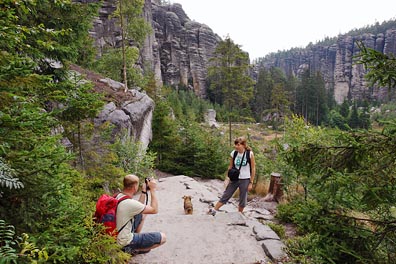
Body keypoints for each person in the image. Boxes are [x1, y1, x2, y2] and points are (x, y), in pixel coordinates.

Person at [116, 174, 166, 254]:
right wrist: (153, 189)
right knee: (163, 237)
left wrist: (143, 191)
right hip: (123, 241)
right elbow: (154, 210)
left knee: (141, 215)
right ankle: (131, 250)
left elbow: (138, 207)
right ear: (135, 187)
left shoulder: (119, 196)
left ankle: (134, 245)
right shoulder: (129, 203)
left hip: (117, 236)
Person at [209, 136, 256, 215]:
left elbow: (253, 168)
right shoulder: (234, 153)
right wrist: (227, 178)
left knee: (243, 198)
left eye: (238, 144)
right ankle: (214, 209)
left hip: (245, 179)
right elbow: (230, 166)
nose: (236, 146)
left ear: (243, 145)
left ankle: (239, 214)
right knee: (227, 194)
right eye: (236, 144)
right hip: (235, 178)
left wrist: (251, 182)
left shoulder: (249, 154)